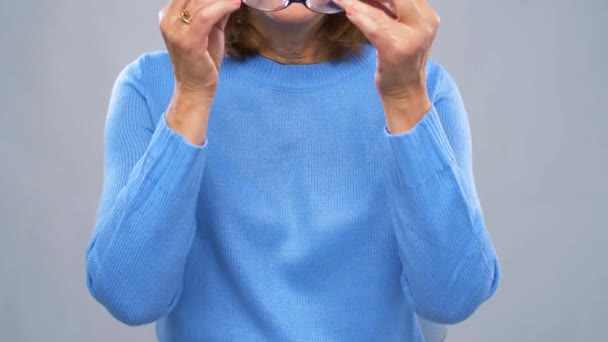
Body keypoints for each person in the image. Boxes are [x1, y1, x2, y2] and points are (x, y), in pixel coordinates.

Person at [84, 0, 500, 340]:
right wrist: (191, 94)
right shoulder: (152, 85)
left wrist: (406, 95)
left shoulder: (425, 89)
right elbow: (130, 297)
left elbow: (453, 298)